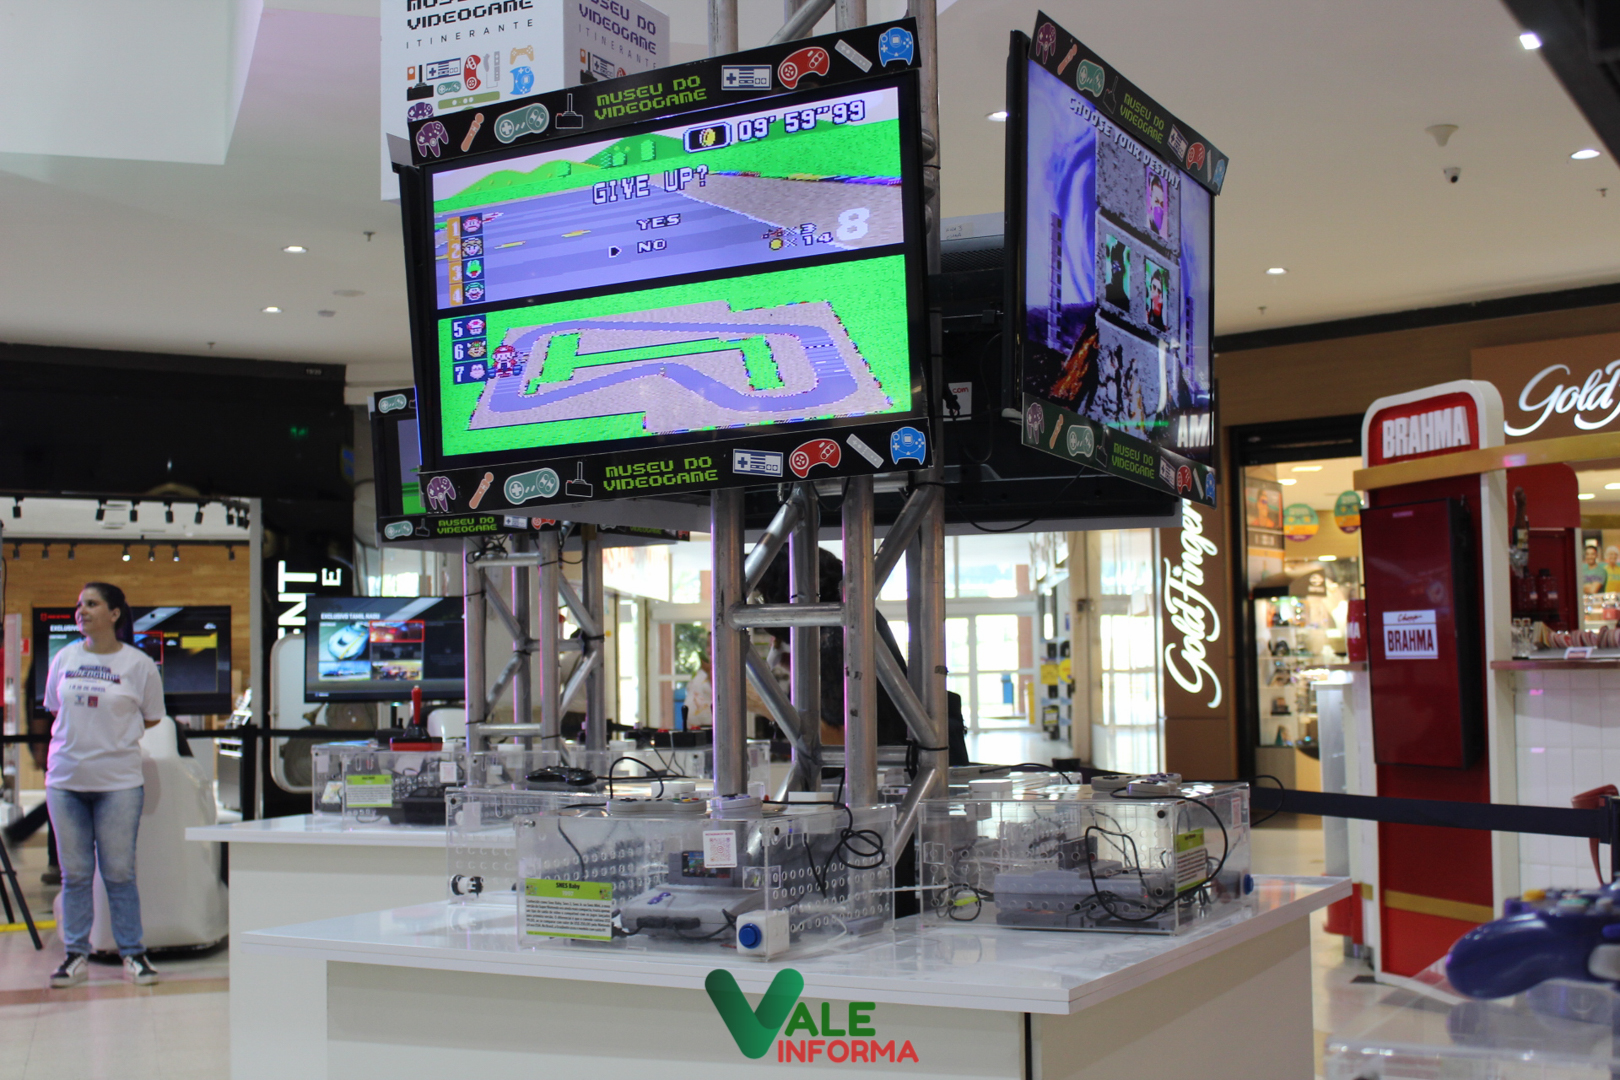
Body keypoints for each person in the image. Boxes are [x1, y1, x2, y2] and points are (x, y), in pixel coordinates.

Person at [44, 583, 165, 988]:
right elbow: (55, 708)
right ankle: (75, 954)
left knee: (118, 872)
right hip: (65, 782)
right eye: (79, 604)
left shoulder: (138, 664)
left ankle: (134, 954)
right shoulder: (64, 657)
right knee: (75, 875)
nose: (81, 610)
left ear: (114, 614)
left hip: (119, 784)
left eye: (92, 604)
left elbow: (151, 717)